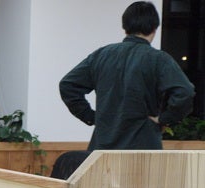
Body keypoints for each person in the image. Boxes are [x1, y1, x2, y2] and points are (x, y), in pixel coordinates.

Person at [59, 1, 195, 151]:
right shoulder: (158, 59)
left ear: (125, 26)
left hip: (102, 147)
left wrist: (91, 117)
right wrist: (165, 119)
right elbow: (185, 92)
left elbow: (68, 85)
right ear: (154, 28)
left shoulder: (101, 55)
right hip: (143, 145)